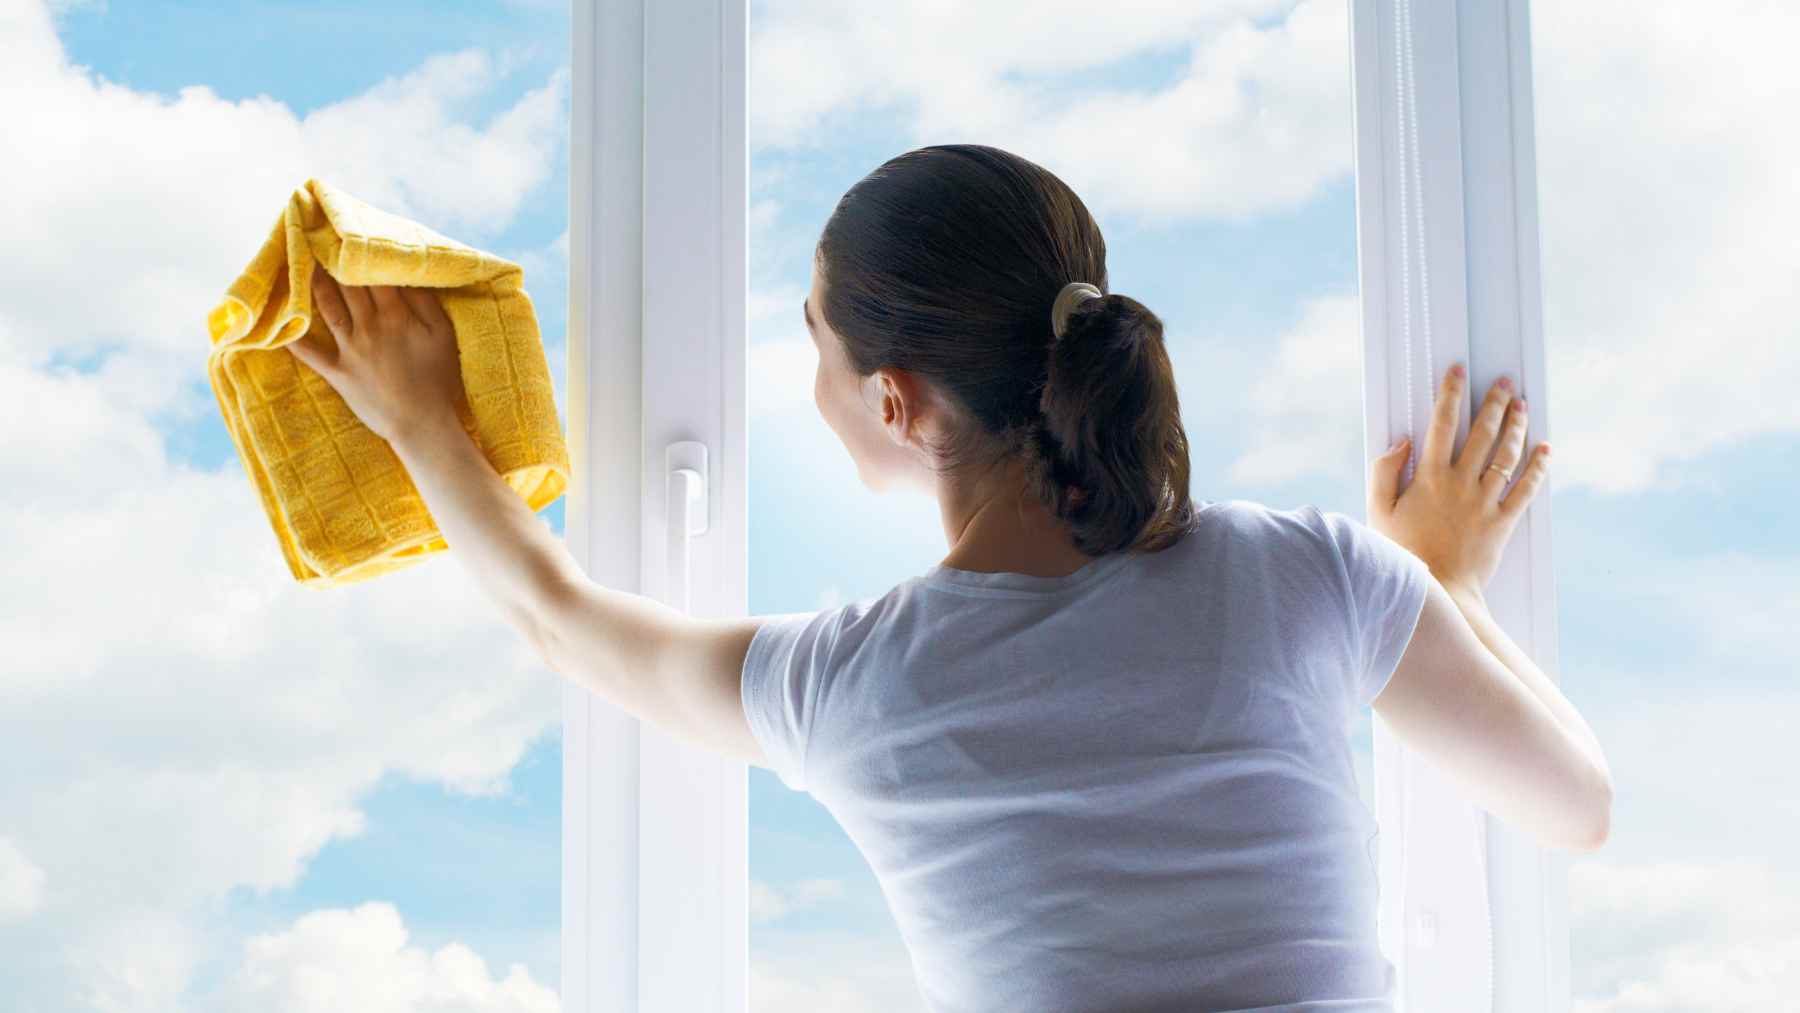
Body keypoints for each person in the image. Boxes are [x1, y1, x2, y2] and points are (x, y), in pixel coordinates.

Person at [290, 143, 1613, 1013]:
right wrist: (1443, 583)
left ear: (898, 401)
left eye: (811, 337)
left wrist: (419, 423)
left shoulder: (859, 684)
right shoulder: (1314, 572)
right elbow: (1576, 807)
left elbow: (561, 623)